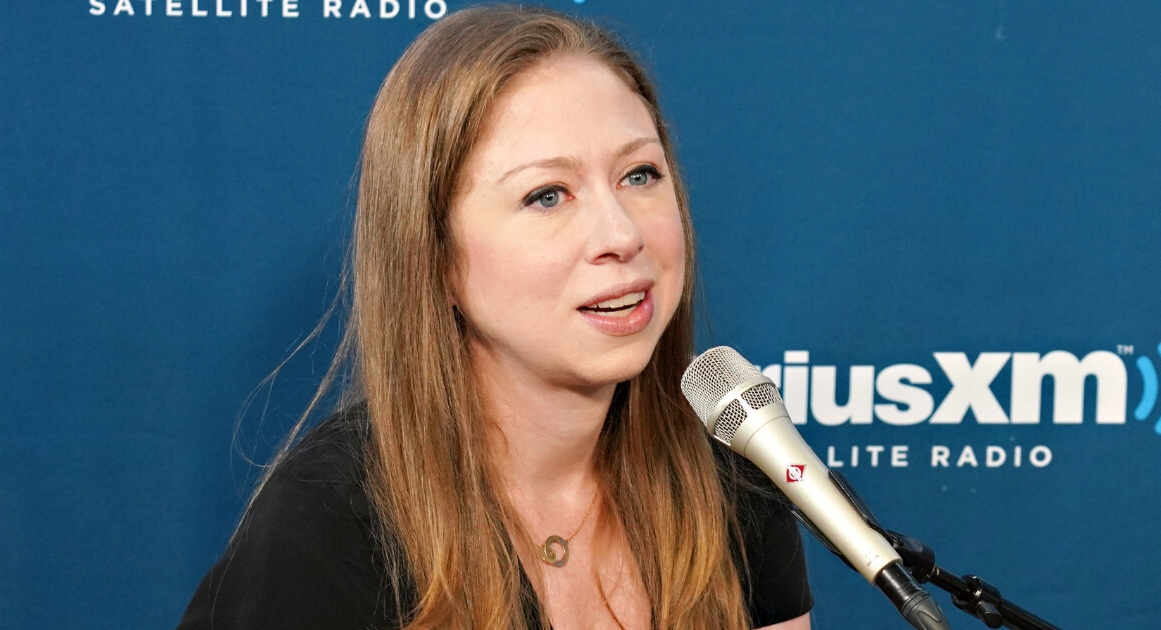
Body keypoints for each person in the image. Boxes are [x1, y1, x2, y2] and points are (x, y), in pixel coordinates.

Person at [177, 5, 813, 629]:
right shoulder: (332, 525)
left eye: (639, 174)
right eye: (546, 195)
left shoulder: (732, 492)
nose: (620, 233)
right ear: (437, 258)